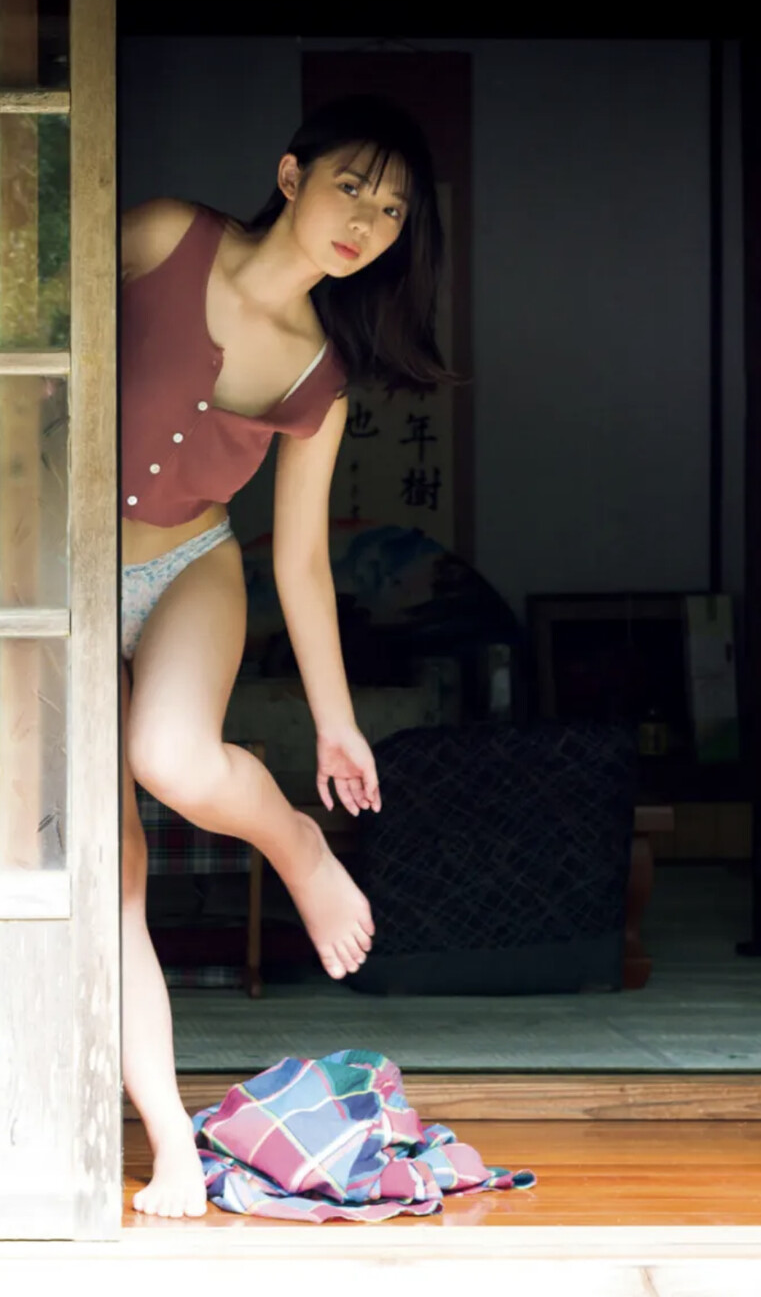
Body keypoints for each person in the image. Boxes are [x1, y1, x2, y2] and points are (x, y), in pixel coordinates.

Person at [118, 92, 458, 1218]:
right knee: (111, 870)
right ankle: (168, 1137)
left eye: (392, 211)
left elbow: (302, 563)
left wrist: (335, 722)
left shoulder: (322, 377)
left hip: (188, 568)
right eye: (350, 186)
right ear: (288, 174)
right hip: (55, 578)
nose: (366, 220)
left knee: (171, 758)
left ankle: (295, 844)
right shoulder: (162, 236)